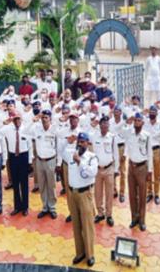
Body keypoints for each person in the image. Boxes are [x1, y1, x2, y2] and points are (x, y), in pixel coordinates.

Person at [64, 132, 98, 268]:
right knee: (76, 225)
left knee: (87, 225)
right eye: (79, 141)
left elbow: (92, 172)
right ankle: (80, 253)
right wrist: (68, 141)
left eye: (83, 141)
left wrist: (80, 162)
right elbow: (61, 151)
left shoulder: (91, 157)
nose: (80, 144)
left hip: (85, 194)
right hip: (73, 194)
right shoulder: (71, 153)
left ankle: (90, 254)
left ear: (88, 143)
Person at [117, 112, 153, 231]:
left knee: (142, 195)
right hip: (131, 167)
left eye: (139, 120)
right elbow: (117, 129)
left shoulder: (147, 135)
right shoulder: (129, 133)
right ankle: (134, 218)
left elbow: (150, 154)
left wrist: (150, 171)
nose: (137, 122)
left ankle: (142, 220)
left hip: (142, 167)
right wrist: (126, 121)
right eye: (135, 120)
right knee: (132, 195)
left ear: (143, 122)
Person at [0, 111, 33, 216]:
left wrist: (30, 161)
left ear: (21, 119)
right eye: (15, 119)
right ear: (12, 120)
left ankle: (25, 207)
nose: (17, 121)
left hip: (23, 156)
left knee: (24, 183)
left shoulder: (26, 129)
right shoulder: (8, 129)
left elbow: (30, 146)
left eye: (19, 119)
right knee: (15, 183)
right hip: (13, 157)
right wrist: (5, 122)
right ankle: (17, 206)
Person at [31, 110, 59, 220]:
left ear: (50, 119)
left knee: (51, 185)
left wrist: (58, 162)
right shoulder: (37, 129)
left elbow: (58, 146)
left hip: (51, 160)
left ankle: (52, 208)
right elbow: (26, 131)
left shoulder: (55, 129)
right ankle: (44, 207)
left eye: (46, 117)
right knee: (42, 185)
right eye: (43, 117)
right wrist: (34, 119)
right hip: (39, 160)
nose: (44, 119)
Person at [90, 116, 119, 226]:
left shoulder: (112, 137)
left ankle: (109, 214)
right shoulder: (94, 137)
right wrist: (91, 124)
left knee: (109, 193)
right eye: (103, 124)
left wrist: (116, 169)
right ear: (100, 125)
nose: (105, 126)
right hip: (97, 169)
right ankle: (100, 213)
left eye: (107, 124)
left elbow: (115, 154)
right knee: (97, 193)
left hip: (109, 168)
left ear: (108, 126)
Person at [144, 105, 160, 205]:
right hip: (147, 151)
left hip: (157, 150)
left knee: (157, 173)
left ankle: (156, 194)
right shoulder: (145, 124)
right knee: (148, 172)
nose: (152, 114)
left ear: (157, 113)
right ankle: (149, 193)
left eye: (154, 112)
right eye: (151, 112)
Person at [109, 106, 127, 203]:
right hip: (112, 147)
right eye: (115, 111)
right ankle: (114, 190)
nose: (116, 113)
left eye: (118, 111)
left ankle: (122, 192)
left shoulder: (124, 123)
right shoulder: (110, 122)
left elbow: (128, 138)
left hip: (121, 147)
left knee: (122, 171)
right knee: (113, 169)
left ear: (121, 113)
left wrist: (125, 153)